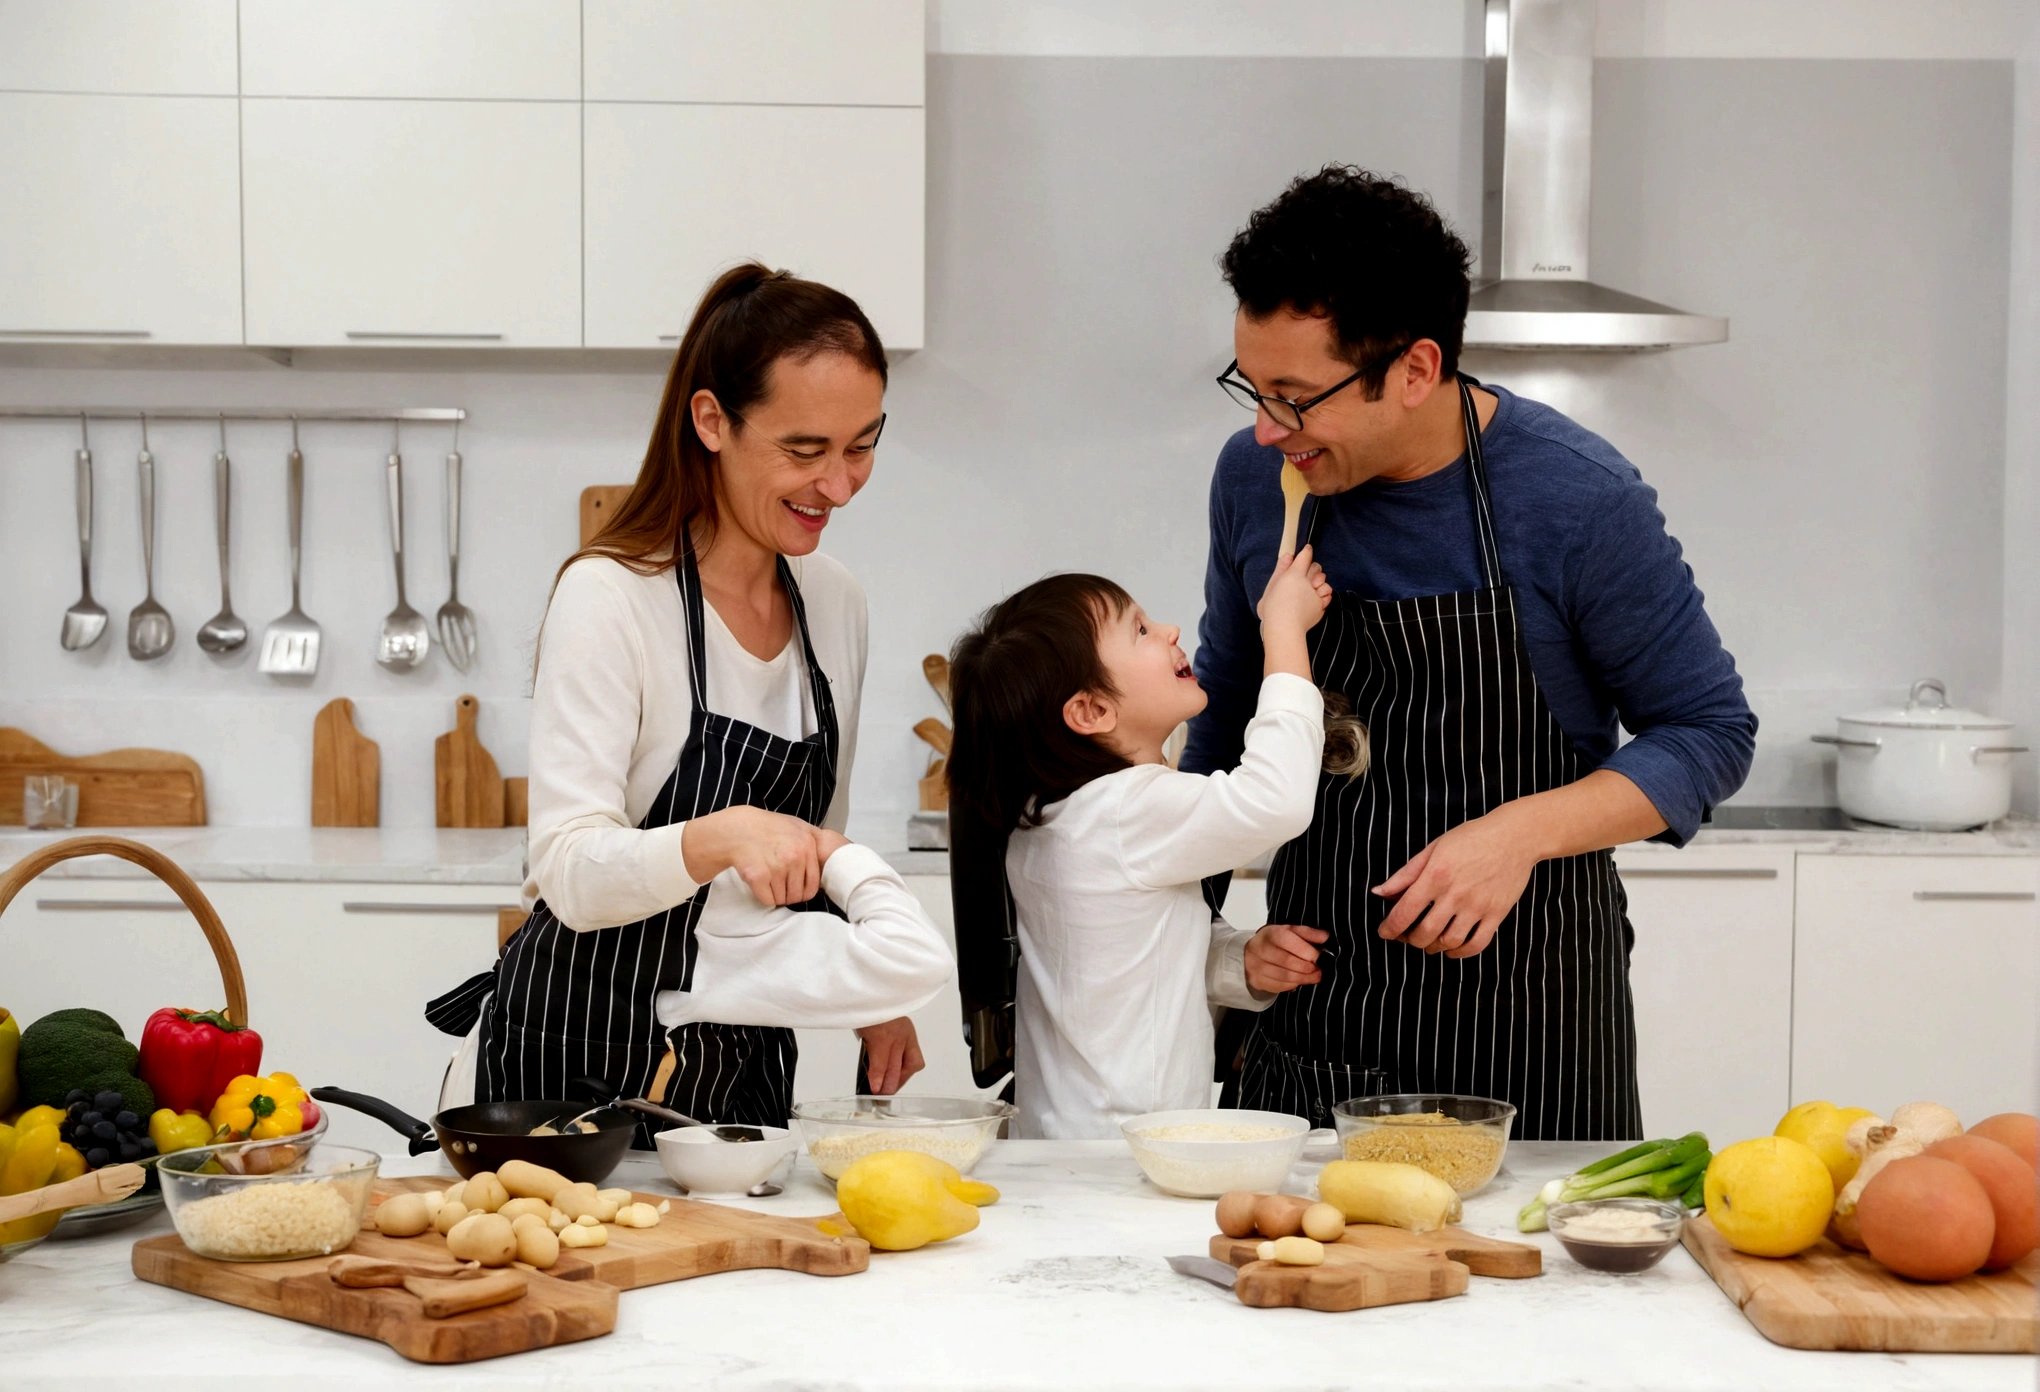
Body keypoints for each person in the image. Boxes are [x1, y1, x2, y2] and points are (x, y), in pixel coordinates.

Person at [1184, 166, 1757, 1139]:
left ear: (1414, 370)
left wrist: (1518, 833)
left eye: (1293, 397)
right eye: (1252, 386)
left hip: (1524, 1029)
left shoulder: (1577, 501)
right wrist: (1186, 943)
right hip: (1310, 1020)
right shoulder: (1258, 482)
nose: (1264, 427)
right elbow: (1226, 716)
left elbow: (1708, 734)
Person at [426, 263, 944, 1134]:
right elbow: (569, 870)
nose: (842, 485)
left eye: (862, 444)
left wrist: (869, 990)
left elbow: (819, 835)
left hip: (741, 1049)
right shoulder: (612, 596)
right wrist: (721, 836)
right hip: (575, 1057)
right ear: (712, 421)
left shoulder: (835, 604)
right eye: (805, 450)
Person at [945, 549, 1338, 1138]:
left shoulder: (1053, 820)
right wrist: (1281, 632)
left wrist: (1239, 961)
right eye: (1141, 630)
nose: (1171, 631)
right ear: (1093, 709)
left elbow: (1126, 966)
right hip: (1129, 1151)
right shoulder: (1129, 810)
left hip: (1063, 1140)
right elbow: (1275, 799)